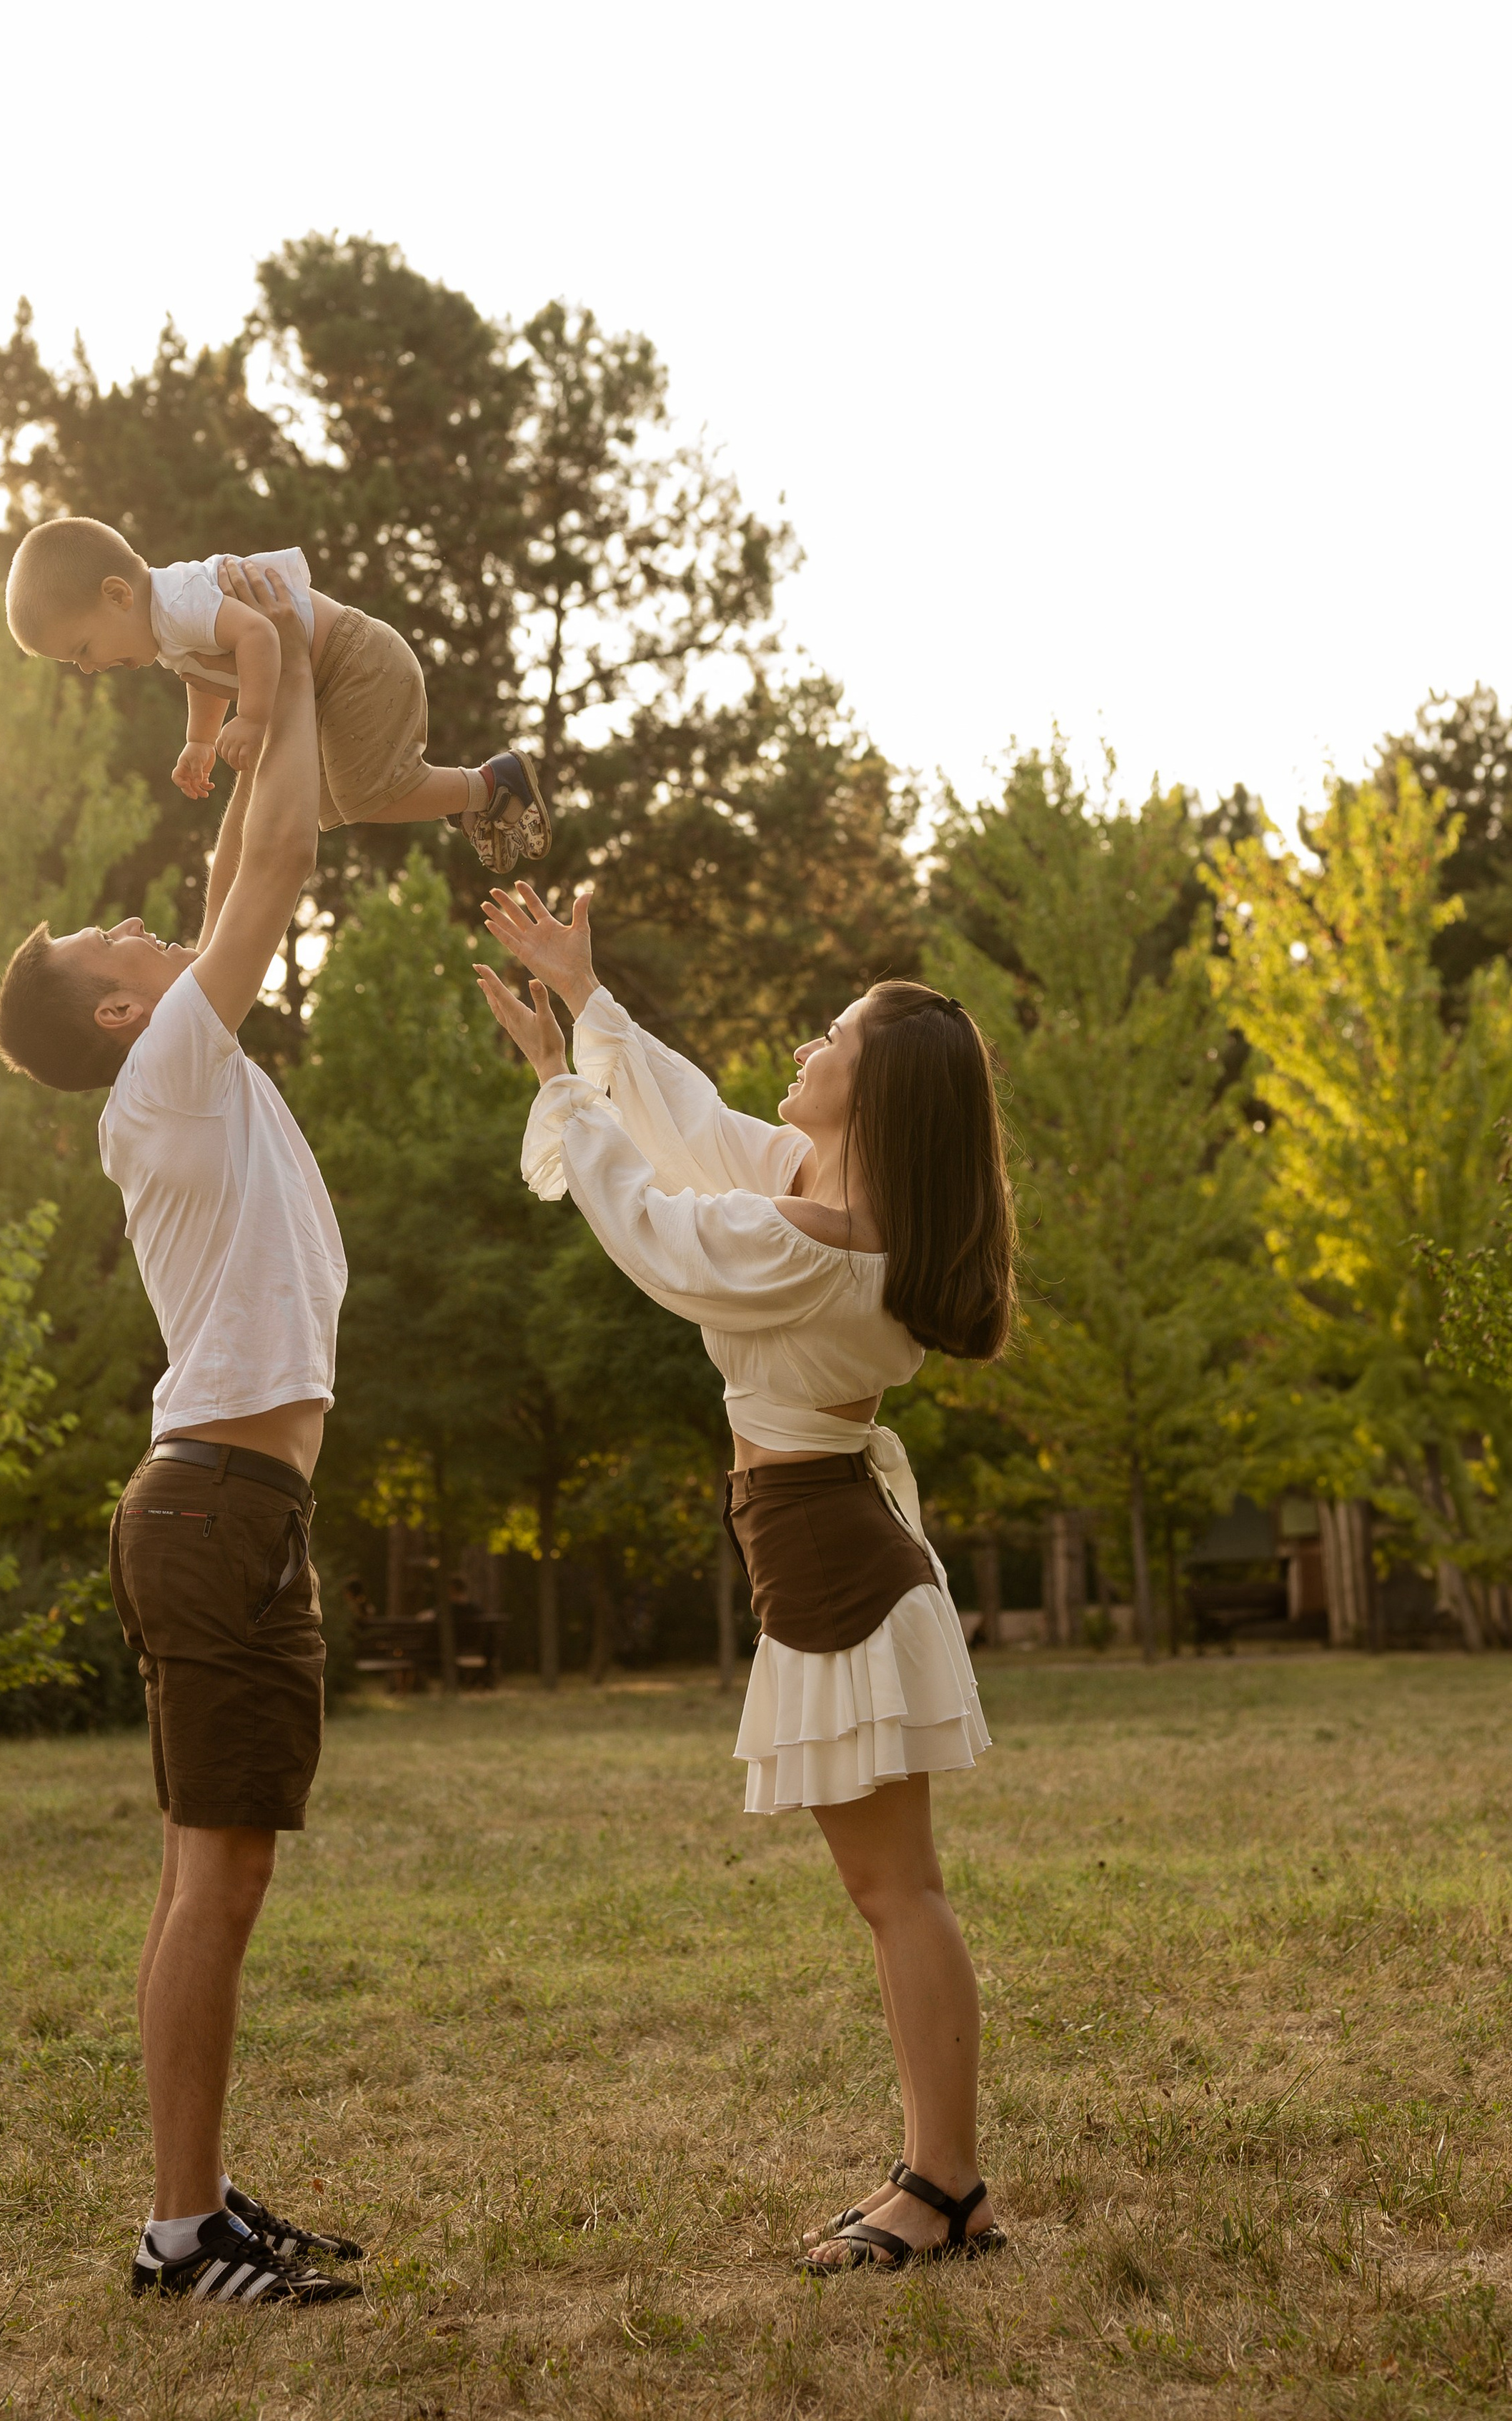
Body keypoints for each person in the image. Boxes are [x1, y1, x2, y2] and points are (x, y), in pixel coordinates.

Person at [475, 885, 1016, 2277]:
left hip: (836, 1562)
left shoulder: (807, 1252)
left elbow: (657, 1228)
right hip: (829, 1549)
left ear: (871, 1088)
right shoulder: (811, 1196)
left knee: (897, 1895)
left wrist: (555, 1089)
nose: (806, 1043)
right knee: (894, 1893)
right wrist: (588, 1004)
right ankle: (940, 2180)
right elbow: (695, 1127)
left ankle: (942, 2188)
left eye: (830, 1033)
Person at [0, 558, 362, 2308]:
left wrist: (249, 688)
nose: (138, 924)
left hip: (224, 1502)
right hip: (215, 1503)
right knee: (216, 1878)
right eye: (109, 941)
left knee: (202, 1874)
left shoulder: (173, 1059)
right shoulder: (165, 1067)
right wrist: (272, 673)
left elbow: (235, 863)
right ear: (121, 1008)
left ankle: (192, 2202)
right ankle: (177, 2230)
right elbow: (274, 866)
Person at [4, 513, 551, 868]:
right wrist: (201, 739)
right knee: (332, 801)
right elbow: (207, 671)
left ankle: (487, 785)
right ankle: (468, 800)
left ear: (116, 595)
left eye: (80, 649)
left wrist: (254, 717)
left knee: (363, 796)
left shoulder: (179, 602)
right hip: (335, 677)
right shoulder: (166, 624)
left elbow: (258, 635)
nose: (87, 669)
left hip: (355, 662)